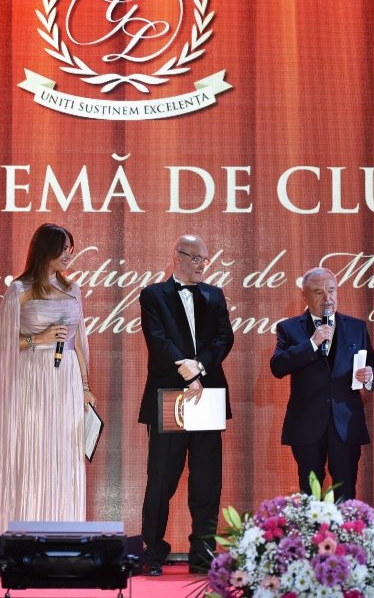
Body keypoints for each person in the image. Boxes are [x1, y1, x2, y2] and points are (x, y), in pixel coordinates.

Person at [0, 224, 95, 550]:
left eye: (70, 249)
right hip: (32, 380)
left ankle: (64, 541)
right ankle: (27, 544)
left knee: (65, 457)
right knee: (34, 453)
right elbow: (3, 343)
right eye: (62, 249)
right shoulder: (20, 289)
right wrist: (39, 338)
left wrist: (85, 387)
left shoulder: (73, 289)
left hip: (66, 381)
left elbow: (79, 343)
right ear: (45, 249)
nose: (68, 255)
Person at [138, 234, 234, 576]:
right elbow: (158, 340)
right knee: (162, 477)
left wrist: (200, 368)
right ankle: (153, 551)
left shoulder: (214, 294)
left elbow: (225, 337)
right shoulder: (153, 295)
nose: (202, 265)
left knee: (207, 480)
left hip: (206, 392)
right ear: (177, 256)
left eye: (205, 259)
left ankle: (203, 553)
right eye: (196, 258)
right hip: (171, 394)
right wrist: (186, 371)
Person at [270, 267, 374, 502]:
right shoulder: (289, 328)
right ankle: (311, 528)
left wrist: (370, 376)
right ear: (304, 296)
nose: (327, 298)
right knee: (309, 494)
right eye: (318, 292)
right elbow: (278, 366)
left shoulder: (356, 327)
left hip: (345, 424)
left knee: (346, 493)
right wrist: (312, 343)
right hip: (307, 424)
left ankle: (346, 528)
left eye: (331, 291)